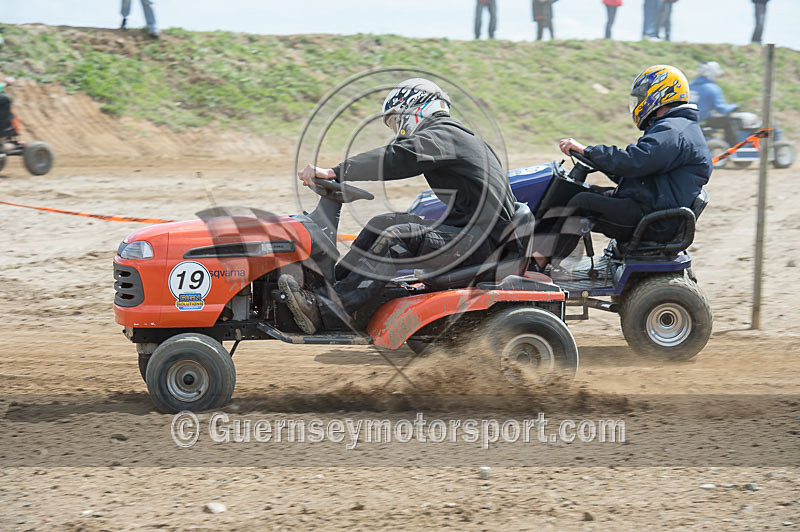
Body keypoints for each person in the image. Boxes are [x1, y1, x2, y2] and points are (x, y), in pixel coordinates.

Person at [279, 78, 517, 334]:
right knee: (384, 224)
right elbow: (402, 153)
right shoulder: (454, 135)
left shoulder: (445, 134)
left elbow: (399, 158)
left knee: (395, 239)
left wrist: (336, 172)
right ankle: (332, 292)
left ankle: (326, 311)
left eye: (395, 120)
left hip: (482, 242)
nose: (397, 129)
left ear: (414, 107)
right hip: (475, 234)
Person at [534, 65, 712, 269]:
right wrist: (598, 160)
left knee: (582, 203)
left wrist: (588, 152)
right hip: (651, 207)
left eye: (642, 97)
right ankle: (539, 256)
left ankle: (539, 263)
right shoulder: (677, 127)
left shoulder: (673, 131)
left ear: (659, 93)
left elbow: (635, 161)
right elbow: (638, 171)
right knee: (575, 193)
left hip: (654, 221)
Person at [690, 61, 740, 145]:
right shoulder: (712, 88)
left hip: (688, 119)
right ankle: (733, 148)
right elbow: (722, 109)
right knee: (732, 121)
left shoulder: (689, 85)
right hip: (703, 120)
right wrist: (735, 107)